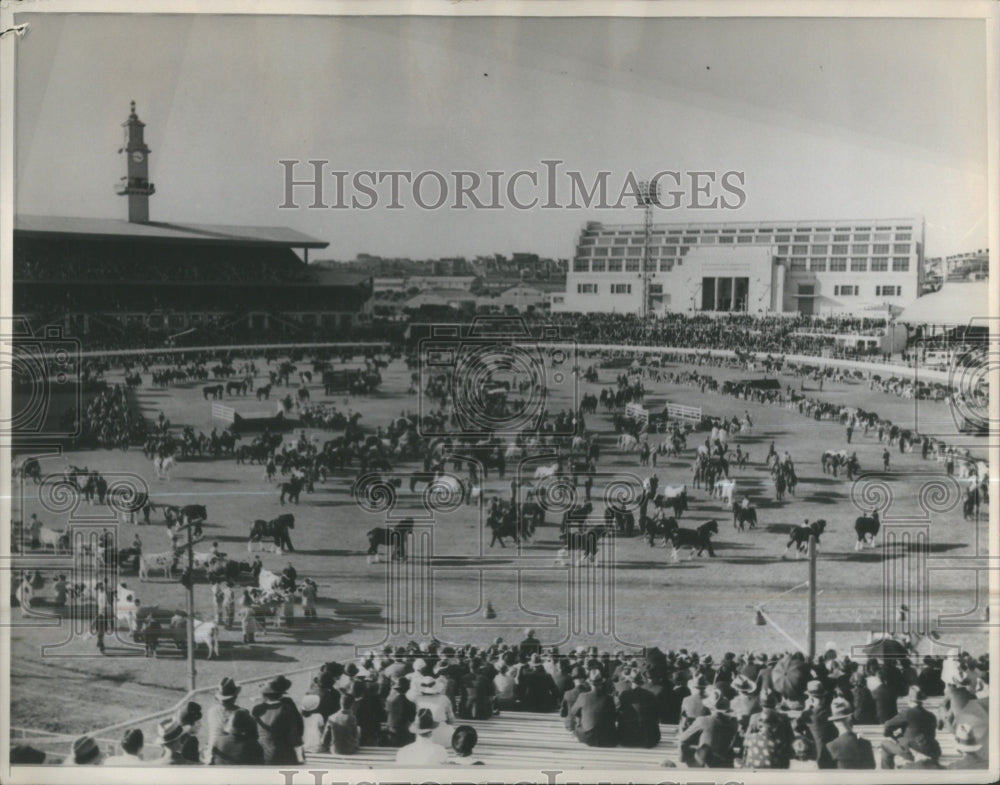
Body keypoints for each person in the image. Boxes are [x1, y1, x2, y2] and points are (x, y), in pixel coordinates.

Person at [880, 686, 939, 769]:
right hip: (929, 749)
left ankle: (887, 773)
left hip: (910, 750)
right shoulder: (931, 715)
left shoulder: (907, 713)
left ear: (909, 700)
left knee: (884, 744)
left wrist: (890, 736)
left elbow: (887, 725)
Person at [252, 675, 305, 765]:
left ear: (264, 695)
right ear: (281, 694)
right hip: (282, 754)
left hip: (260, 753)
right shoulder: (286, 709)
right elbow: (295, 736)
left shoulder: (257, 709)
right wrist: (300, 758)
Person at [569, 670, 618, 748]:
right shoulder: (608, 698)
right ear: (601, 684)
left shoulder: (583, 696)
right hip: (606, 738)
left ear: (589, 683)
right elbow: (614, 717)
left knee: (580, 714)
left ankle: (579, 733)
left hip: (586, 737)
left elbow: (573, 712)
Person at [824, 696, 875, 769]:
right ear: (850, 718)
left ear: (834, 722)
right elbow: (872, 768)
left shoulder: (831, 746)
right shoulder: (866, 743)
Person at [206, 677, 242, 759]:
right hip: (229, 753)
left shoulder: (211, 711)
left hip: (212, 750)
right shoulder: (240, 713)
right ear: (235, 697)